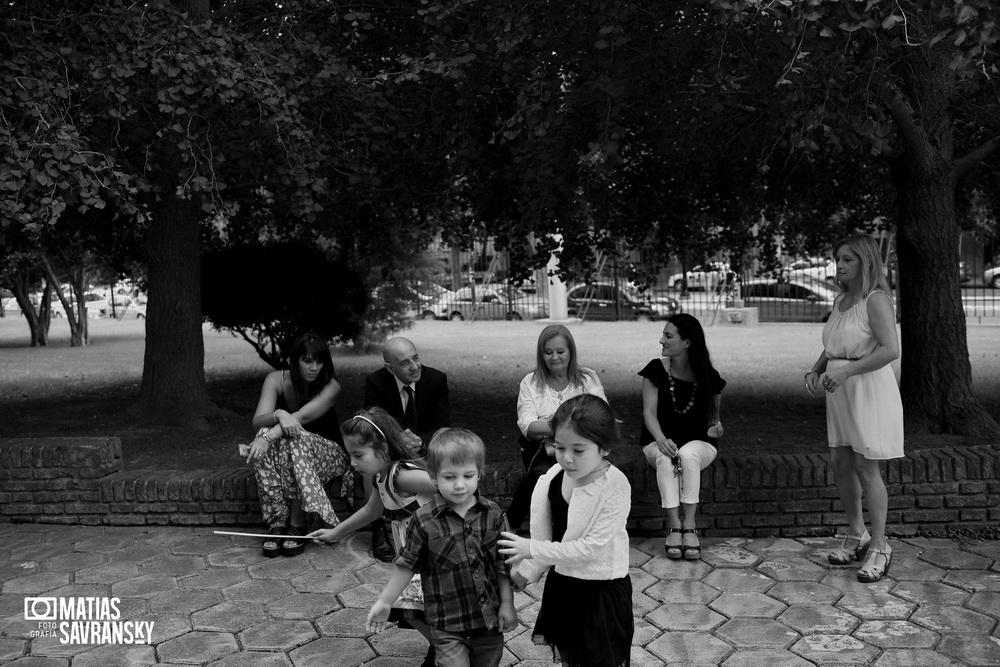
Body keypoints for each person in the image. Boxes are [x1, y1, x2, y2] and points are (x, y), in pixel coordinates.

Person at [499, 394, 633, 667]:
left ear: (604, 447)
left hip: (602, 594)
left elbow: (590, 549)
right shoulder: (551, 477)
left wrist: (530, 549)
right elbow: (545, 535)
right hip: (563, 587)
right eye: (560, 447)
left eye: (579, 450)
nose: (567, 458)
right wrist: (526, 572)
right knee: (569, 659)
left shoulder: (615, 486)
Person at [366, 428, 517, 667]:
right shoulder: (424, 520)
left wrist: (507, 603)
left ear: (480, 473)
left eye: (468, 476)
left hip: (487, 621)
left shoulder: (493, 514)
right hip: (445, 622)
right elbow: (406, 564)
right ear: (434, 476)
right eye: (449, 477)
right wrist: (385, 601)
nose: (459, 485)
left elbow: (501, 564)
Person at [805, 233, 903, 583]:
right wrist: (818, 368)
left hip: (867, 388)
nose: (840, 266)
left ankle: (880, 545)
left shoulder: (876, 300)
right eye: (838, 260)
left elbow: (890, 349)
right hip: (840, 388)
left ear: (865, 261)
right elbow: (835, 344)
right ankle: (857, 533)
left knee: (866, 466)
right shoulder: (842, 299)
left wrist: (846, 371)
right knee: (841, 461)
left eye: (847, 259)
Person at [306, 408, 438, 667]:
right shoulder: (383, 477)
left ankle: (450, 649)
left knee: (409, 606)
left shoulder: (403, 475)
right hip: (413, 555)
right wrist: (335, 532)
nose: (353, 463)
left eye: (358, 455)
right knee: (413, 609)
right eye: (350, 455)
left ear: (383, 450)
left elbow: (446, 484)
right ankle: (444, 647)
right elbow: (372, 510)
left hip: (432, 552)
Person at [247, 332, 350, 558]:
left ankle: (297, 521)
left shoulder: (332, 385)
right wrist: (279, 413)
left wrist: (267, 437)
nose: (314, 367)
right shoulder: (276, 380)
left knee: (288, 435)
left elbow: (300, 418)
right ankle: (278, 523)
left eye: (319, 361)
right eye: (307, 361)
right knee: (270, 433)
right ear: (295, 361)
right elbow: (257, 421)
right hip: (292, 454)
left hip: (330, 453)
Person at [638, 313, 726, 560]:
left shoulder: (709, 376)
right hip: (657, 442)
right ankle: (675, 526)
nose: (661, 341)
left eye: (668, 336)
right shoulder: (655, 370)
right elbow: (649, 413)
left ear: (687, 342)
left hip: (700, 444)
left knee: (687, 454)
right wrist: (661, 440)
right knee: (667, 458)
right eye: (663, 335)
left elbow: (713, 420)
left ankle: (690, 525)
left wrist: (716, 427)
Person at [508, 325, 608, 532]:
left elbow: (601, 415)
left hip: (583, 449)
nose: (554, 357)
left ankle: (510, 525)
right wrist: (567, 424)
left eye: (560, 351)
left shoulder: (587, 379)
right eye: (548, 352)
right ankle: (557, 543)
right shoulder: (530, 382)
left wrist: (557, 424)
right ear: (541, 354)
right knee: (547, 476)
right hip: (543, 450)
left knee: (560, 481)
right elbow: (527, 426)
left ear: (571, 351)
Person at [365, 336, 451, 561]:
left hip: (425, 447)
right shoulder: (376, 382)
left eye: (416, 358)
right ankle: (379, 530)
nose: (415, 366)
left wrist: (420, 442)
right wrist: (396, 439)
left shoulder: (436, 379)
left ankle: (442, 525)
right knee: (371, 458)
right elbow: (372, 425)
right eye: (405, 363)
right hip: (391, 447)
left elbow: (443, 427)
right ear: (389, 367)